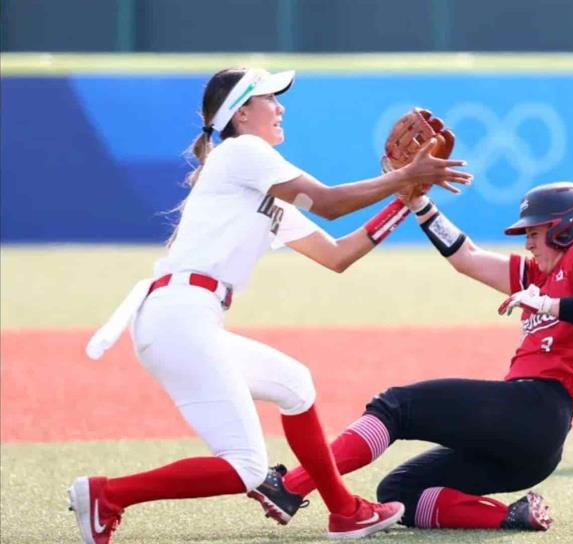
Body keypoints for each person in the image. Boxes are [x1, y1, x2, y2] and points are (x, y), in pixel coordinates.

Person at [69, 67, 471, 544]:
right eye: (269, 99)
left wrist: (404, 199)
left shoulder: (265, 191)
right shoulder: (243, 153)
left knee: (295, 384)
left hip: (186, 318)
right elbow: (327, 202)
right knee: (245, 468)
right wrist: (405, 175)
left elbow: (337, 255)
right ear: (241, 113)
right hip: (178, 317)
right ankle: (108, 493)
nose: (280, 107)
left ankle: (344, 511)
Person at [247, 181, 573, 531]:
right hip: (533, 445)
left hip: (536, 408)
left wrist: (548, 305)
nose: (527, 243)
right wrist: (421, 205)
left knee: (395, 407)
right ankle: (512, 517)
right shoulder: (542, 273)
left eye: (535, 232)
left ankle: (293, 486)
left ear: (564, 228)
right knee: (401, 491)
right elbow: (466, 257)